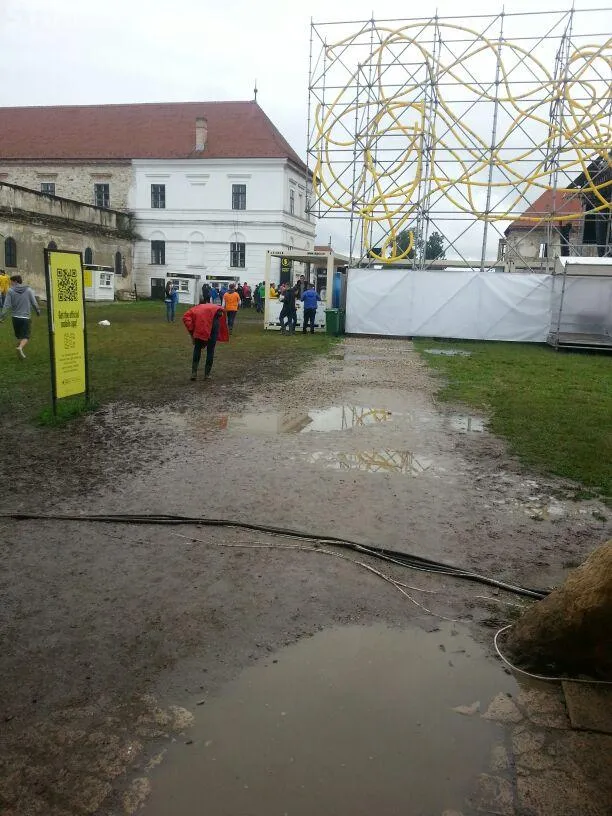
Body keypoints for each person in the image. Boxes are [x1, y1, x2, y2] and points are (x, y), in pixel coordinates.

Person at [182, 294, 229, 381]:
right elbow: (221, 313)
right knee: (210, 350)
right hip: (213, 327)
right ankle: (207, 375)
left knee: (197, 349)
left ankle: (194, 373)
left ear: (199, 302)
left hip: (200, 329)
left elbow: (185, 318)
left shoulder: (194, 309)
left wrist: (192, 331)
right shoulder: (213, 306)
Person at [0, 274, 41, 358]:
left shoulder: (10, 291)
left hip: (15, 318)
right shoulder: (28, 290)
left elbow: (6, 305)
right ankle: (20, 348)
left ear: (15, 281)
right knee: (26, 336)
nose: (10, 283)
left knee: (19, 336)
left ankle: (19, 352)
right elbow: (34, 303)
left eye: (11, 282)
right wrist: (38, 311)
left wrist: (2, 317)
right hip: (25, 318)